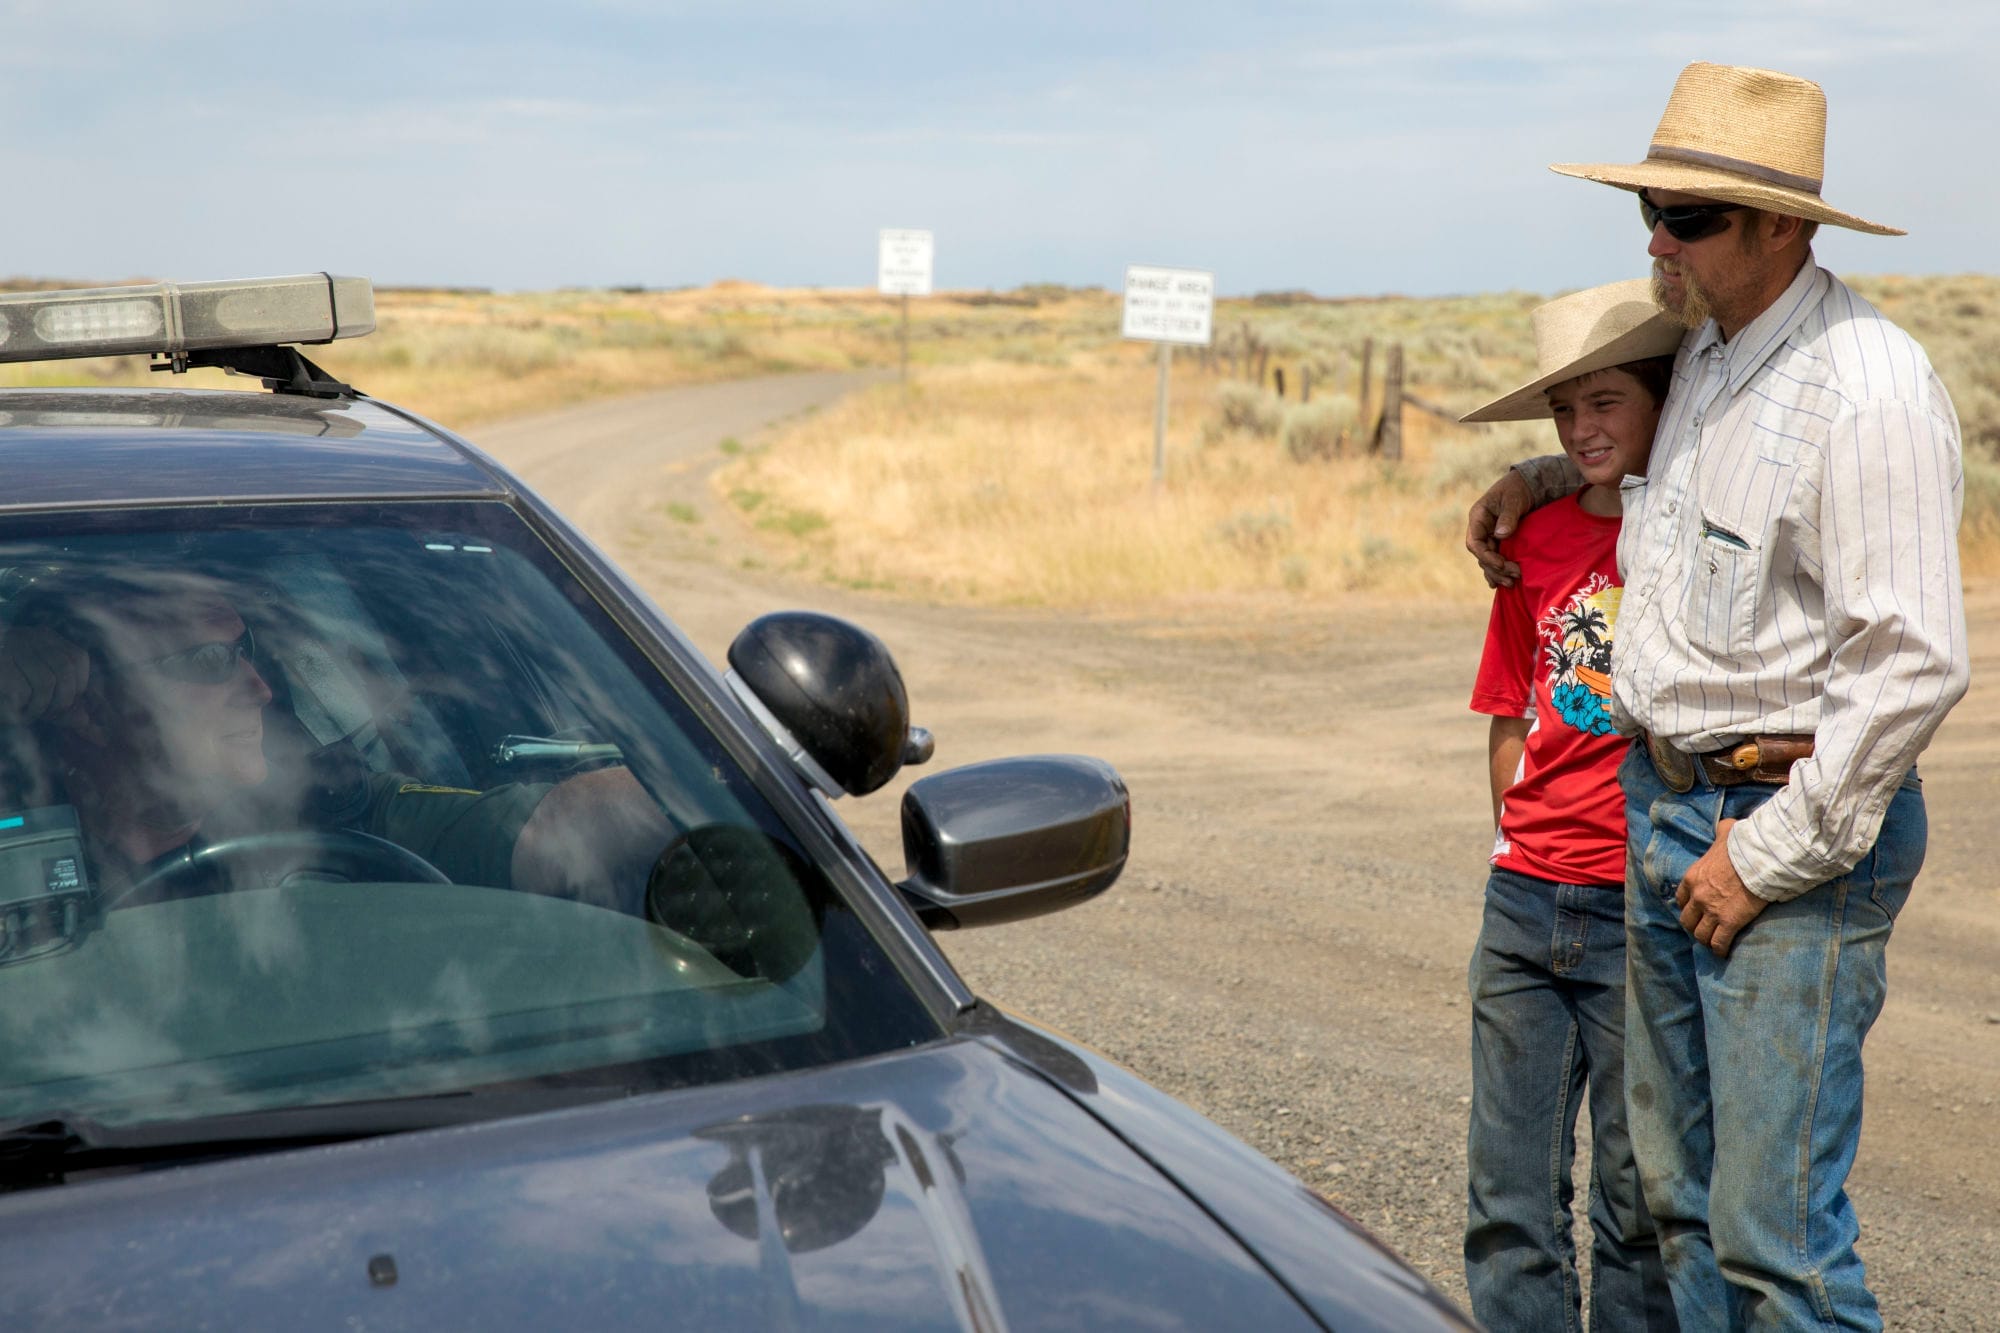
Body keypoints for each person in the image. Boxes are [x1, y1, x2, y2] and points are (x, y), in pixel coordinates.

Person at [1464, 63, 1969, 1330]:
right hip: (1666, 806)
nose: (1655, 239)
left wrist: (1764, 856)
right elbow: (1640, 462)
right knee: (1677, 1205)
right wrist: (1535, 475)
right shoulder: (1701, 357)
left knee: (1772, 1240)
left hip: (1778, 831)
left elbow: (1910, 659)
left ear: (1781, 227)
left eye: (1686, 217)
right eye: (1648, 209)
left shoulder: (1864, 388)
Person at [1459, 279, 1679, 1332]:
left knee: (1635, 1203)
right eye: (1563, 409)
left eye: (1605, 402)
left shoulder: (1681, 534)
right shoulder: (1533, 541)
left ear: (1662, 399)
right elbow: (1509, 709)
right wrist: (1513, 833)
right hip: (1523, 899)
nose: (1581, 427)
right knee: (1507, 1198)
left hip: (1639, 904)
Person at [0, 571, 673, 910]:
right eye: (209, 662)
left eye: (246, 651)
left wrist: (705, 782)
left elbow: (557, 828)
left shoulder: (328, 807)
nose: (260, 689)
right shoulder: (16, 841)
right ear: (89, 709)